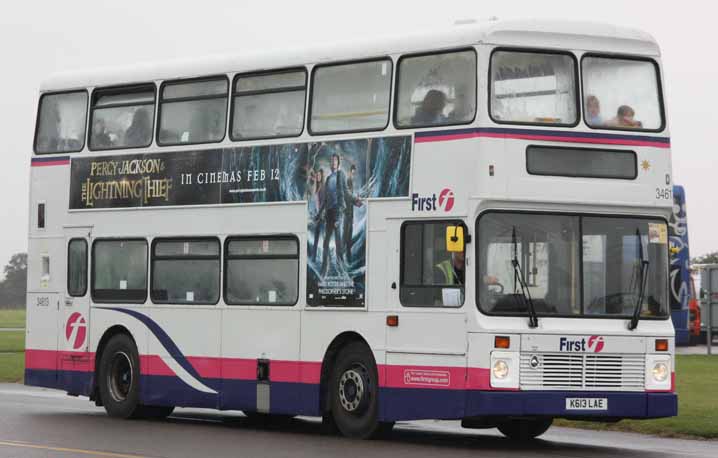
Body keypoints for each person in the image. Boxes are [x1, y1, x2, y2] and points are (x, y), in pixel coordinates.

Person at [320, 153, 349, 276]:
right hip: (329, 213)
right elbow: (325, 200)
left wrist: (354, 200)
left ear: (338, 163)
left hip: (337, 211)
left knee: (338, 241)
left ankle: (341, 268)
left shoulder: (340, 175)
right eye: (331, 161)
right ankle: (324, 269)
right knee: (325, 242)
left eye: (335, 161)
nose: (333, 163)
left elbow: (345, 192)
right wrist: (319, 213)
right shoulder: (327, 179)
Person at [342, 164, 363, 263]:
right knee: (345, 237)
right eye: (352, 173)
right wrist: (356, 200)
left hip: (350, 214)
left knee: (348, 238)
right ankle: (341, 258)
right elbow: (347, 195)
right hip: (346, 214)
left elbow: (350, 199)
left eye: (354, 174)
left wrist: (357, 203)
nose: (353, 175)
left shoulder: (351, 182)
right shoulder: (347, 181)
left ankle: (348, 258)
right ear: (350, 172)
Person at [310, 168, 325, 262]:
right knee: (316, 238)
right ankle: (314, 258)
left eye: (320, 175)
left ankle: (322, 258)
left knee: (322, 238)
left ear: (322, 176)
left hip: (322, 217)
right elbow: (314, 201)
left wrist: (319, 215)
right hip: (318, 216)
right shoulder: (317, 187)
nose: (318, 177)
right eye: (317, 175)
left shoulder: (323, 188)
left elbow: (323, 202)